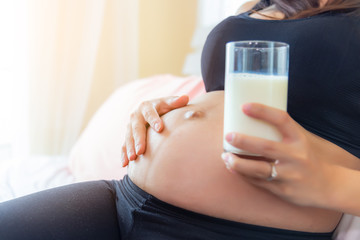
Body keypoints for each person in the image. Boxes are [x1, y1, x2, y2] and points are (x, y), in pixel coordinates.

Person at [1, 0, 359, 239]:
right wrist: (171, 112)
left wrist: (329, 181)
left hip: (237, 229)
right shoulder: (263, 3)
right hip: (125, 198)